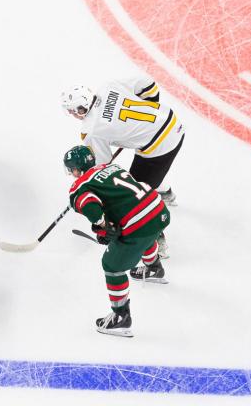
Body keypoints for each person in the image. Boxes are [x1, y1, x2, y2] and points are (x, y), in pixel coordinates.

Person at [61, 75, 183, 255]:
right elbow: (148, 85)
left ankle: (157, 243)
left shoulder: (91, 131)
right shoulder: (108, 85)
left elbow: (101, 169)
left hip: (161, 147)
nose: (71, 114)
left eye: (72, 111)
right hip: (173, 122)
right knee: (143, 173)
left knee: (134, 195)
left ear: (80, 109)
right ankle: (164, 191)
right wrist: (146, 118)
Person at [64, 145, 170, 338]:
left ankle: (121, 317)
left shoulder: (79, 186)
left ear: (77, 169)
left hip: (139, 224)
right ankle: (154, 267)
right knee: (148, 231)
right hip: (158, 210)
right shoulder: (110, 166)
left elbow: (91, 207)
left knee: (111, 265)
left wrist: (103, 225)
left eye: (71, 170)